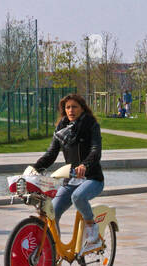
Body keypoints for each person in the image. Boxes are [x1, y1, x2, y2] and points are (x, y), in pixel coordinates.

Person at [34, 93, 106, 251]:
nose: (71, 110)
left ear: (82, 108)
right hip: (71, 180)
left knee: (78, 196)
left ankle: (91, 226)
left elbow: (96, 150)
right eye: (67, 107)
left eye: (74, 107)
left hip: (92, 178)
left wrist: (85, 165)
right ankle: (54, 252)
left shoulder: (90, 125)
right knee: (51, 212)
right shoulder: (61, 129)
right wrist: (34, 168)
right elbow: (51, 154)